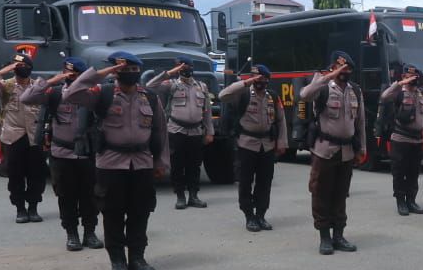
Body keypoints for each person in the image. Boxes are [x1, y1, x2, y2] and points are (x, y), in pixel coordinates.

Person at [66, 51, 169, 270]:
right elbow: (72, 93)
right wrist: (101, 73)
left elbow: (160, 130)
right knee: (112, 213)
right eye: (124, 69)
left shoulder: (150, 97)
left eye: (134, 70)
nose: (130, 74)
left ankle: (137, 258)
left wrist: (161, 161)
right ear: (115, 71)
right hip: (111, 163)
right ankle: (118, 261)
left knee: (140, 212)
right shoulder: (101, 93)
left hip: (142, 162)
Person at [20, 57, 103, 251]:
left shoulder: (92, 94)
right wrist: (49, 81)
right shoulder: (54, 94)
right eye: (67, 73)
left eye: (74, 74)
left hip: (87, 154)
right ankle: (71, 234)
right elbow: (26, 98)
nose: (70, 77)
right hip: (61, 153)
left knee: (90, 196)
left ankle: (89, 233)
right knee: (66, 196)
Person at [301, 51, 366, 255]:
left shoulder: (355, 90)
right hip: (324, 150)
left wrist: (362, 148)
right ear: (333, 67)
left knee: (340, 194)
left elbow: (361, 123)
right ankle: (325, 237)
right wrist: (327, 76)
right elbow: (304, 95)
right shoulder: (322, 87)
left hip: (346, 151)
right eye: (340, 68)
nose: (344, 72)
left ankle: (339, 235)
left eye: (347, 69)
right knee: (321, 193)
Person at [0, 51, 47, 222]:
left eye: (23, 66)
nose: (20, 69)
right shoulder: (6, 86)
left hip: (34, 137)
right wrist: (2, 72)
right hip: (14, 138)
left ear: (30, 68)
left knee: (36, 175)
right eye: (17, 66)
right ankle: (20, 209)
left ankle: (33, 208)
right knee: (16, 175)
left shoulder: (38, 86)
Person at [219, 64, 287, 231]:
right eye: (255, 77)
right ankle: (249, 216)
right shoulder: (243, 93)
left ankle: (261, 215)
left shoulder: (272, 96)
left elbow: (281, 120)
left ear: (267, 80)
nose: (258, 81)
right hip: (247, 143)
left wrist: (282, 142)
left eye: (261, 78)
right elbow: (223, 95)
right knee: (245, 181)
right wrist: (245, 82)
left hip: (267, 145)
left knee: (265, 182)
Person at [146, 56, 213, 209]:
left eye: (187, 66)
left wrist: (209, 131)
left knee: (194, 165)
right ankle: (180, 196)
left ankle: (194, 196)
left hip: (196, 131)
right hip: (176, 130)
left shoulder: (201, 86)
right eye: (181, 66)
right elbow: (150, 86)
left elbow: (207, 111)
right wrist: (169, 73)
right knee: (177, 165)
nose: (185, 69)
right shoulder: (170, 84)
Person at [380, 64, 423, 216]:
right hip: (400, 139)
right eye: (408, 76)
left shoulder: (422, 93)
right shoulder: (397, 92)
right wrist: (399, 84)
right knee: (399, 171)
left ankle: (411, 200)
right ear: (403, 77)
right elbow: (384, 97)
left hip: (417, 140)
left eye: (414, 76)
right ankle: (400, 201)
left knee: (413, 172)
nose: (412, 79)